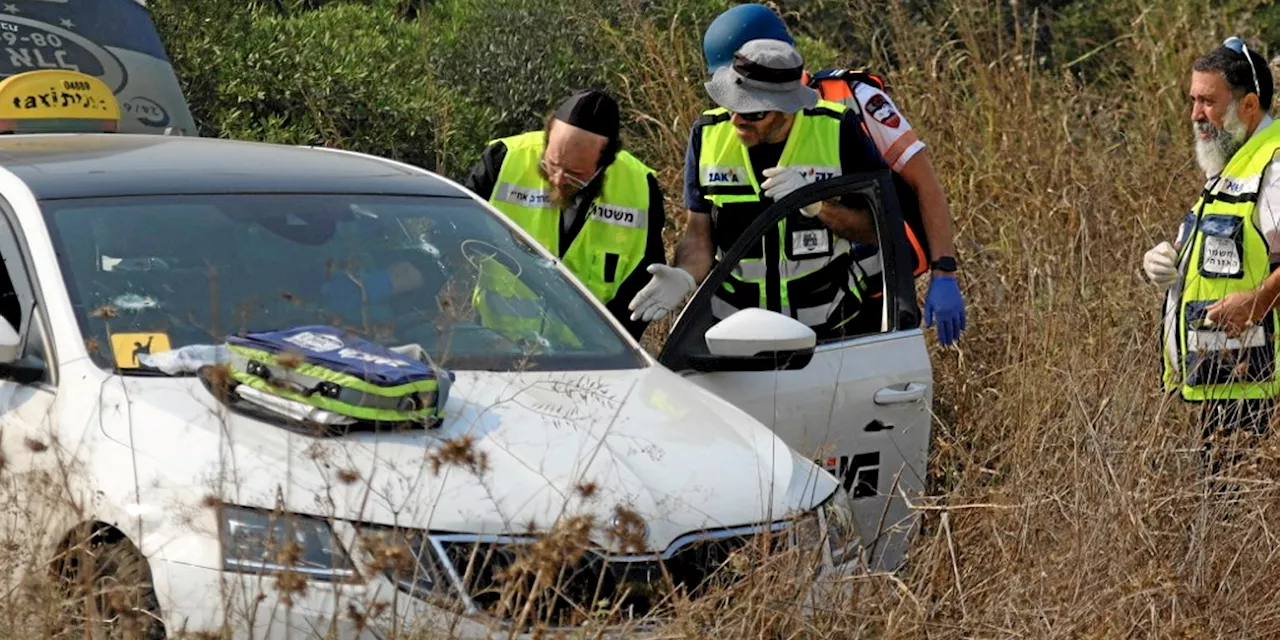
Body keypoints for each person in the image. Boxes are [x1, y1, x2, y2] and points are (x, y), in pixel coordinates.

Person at [696, 3, 967, 347]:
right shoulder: (734, 122)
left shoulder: (854, 100)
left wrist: (944, 272)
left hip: (867, 291)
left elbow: (924, 183)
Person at [628, 38, 889, 340]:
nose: (737, 120)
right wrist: (684, 275)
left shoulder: (837, 129)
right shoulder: (707, 136)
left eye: (752, 113)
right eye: (732, 106)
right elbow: (699, 233)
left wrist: (817, 204)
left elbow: (876, 229)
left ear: (787, 109)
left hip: (831, 329)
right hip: (735, 333)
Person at [1142, 37, 1279, 466]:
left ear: (1249, 105)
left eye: (1208, 102)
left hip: (1263, 397)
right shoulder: (1231, 165)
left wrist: (1257, 302)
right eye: (1193, 100)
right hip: (1227, 386)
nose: (1195, 115)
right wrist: (1171, 266)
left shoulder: (1272, 167)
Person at [464, 89, 667, 340]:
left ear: (604, 165)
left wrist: (611, 350)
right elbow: (450, 240)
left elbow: (640, 283)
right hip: (497, 348)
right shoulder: (502, 161)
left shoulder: (640, 188)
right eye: (551, 164)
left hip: (590, 361)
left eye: (575, 173)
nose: (558, 180)